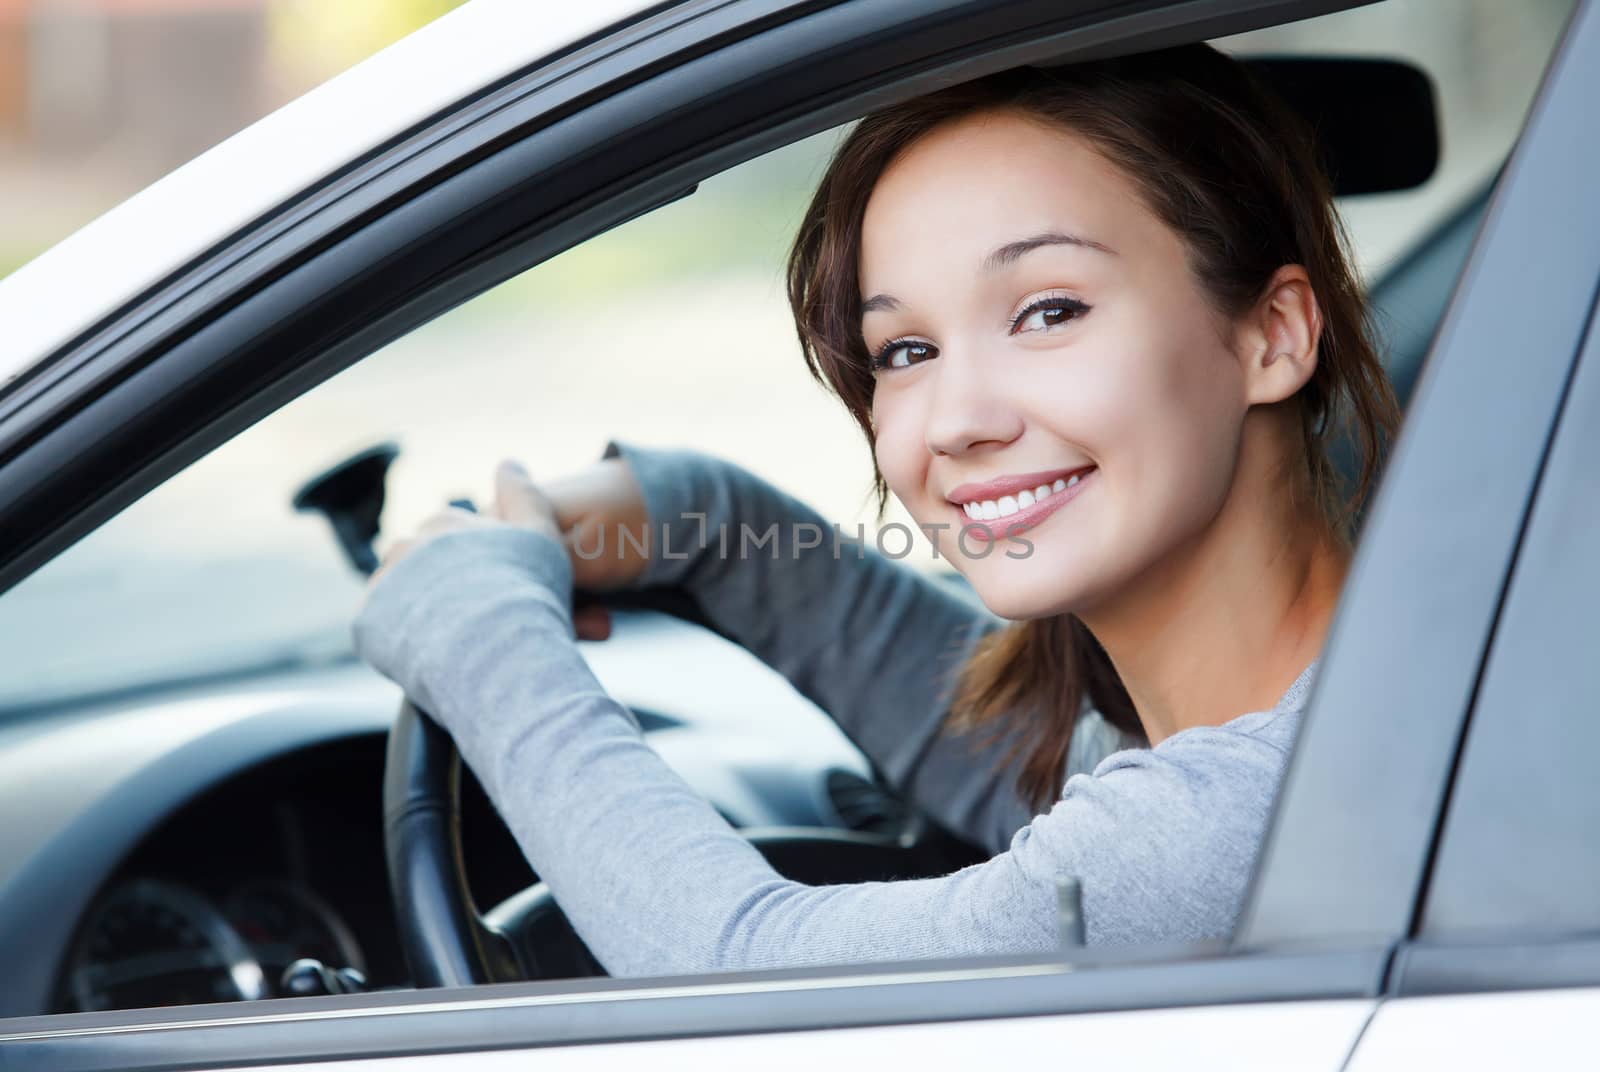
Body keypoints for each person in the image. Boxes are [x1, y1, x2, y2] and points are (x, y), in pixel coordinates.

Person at [351, 43, 1399, 977]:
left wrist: (476, 634)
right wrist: (642, 522)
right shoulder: (1366, 709)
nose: (955, 421)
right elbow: (985, 722)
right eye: (907, 350)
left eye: (1048, 311)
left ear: (1272, 334)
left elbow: (737, 968)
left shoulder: (1233, 820)